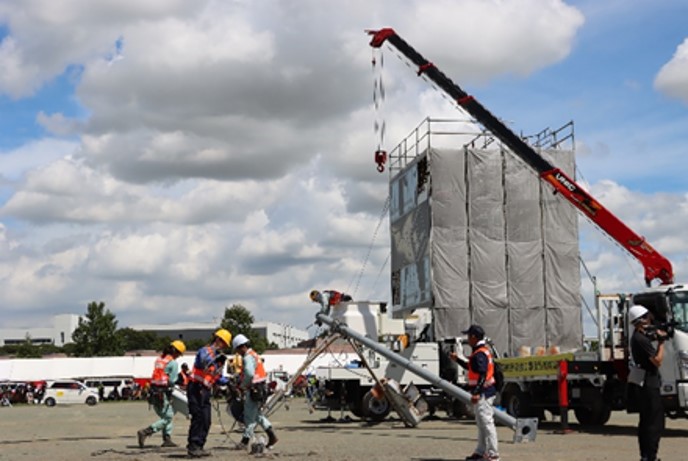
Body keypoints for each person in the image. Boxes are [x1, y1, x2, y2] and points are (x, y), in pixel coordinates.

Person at [450, 324, 499, 461]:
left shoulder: (480, 353)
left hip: (484, 393)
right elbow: (471, 367)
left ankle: (493, 454)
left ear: (473, 337)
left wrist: (476, 392)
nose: (468, 339)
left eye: (469, 336)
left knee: (486, 423)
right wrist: (458, 360)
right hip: (485, 392)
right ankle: (481, 451)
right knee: (482, 423)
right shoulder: (480, 352)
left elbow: (482, 374)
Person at [186, 329, 232, 458]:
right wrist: (216, 358)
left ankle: (200, 445)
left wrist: (229, 382)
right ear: (218, 340)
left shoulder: (219, 359)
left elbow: (217, 377)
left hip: (205, 390)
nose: (224, 347)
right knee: (198, 417)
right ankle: (193, 446)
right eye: (223, 343)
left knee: (206, 419)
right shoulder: (205, 351)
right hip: (195, 388)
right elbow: (203, 361)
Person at [628, 305, 665, 461]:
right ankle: (651, 455)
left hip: (643, 382)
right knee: (654, 422)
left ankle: (646, 455)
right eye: (647, 317)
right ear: (641, 320)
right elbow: (657, 361)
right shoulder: (640, 339)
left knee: (646, 421)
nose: (650, 320)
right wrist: (661, 343)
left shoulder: (639, 337)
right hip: (649, 384)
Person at [232, 334, 278, 450]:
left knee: (249, 416)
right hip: (260, 388)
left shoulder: (247, 357)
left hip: (253, 389)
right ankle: (272, 436)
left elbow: (249, 373)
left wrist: (242, 386)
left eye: (237, 349)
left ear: (241, 347)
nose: (237, 352)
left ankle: (245, 441)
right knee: (257, 415)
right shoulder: (254, 355)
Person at [137, 340, 187, 448]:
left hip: (154, 392)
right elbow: (172, 380)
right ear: (176, 352)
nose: (178, 357)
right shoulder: (173, 363)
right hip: (163, 393)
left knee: (166, 415)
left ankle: (167, 439)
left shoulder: (159, 359)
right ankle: (146, 432)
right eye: (179, 354)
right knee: (168, 417)